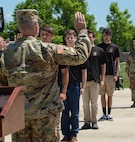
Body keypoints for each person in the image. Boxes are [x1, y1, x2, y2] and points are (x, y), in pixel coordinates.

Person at [0, 9, 91, 142]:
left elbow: (3, 88)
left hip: (19, 118)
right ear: (36, 26)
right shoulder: (48, 49)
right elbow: (80, 56)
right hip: (45, 118)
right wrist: (82, 32)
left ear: (19, 27)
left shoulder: (6, 55)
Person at [39, 24, 68, 141]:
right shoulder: (35, 50)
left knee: (53, 131)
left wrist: (64, 91)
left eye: (47, 35)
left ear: (52, 36)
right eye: (42, 35)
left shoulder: (58, 50)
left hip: (53, 95)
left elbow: (65, 72)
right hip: (38, 98)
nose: (44, 37)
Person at [60, 29, 87, 142]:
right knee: (64, 111)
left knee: (75, 112)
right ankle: (66, 134)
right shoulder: (61, 51)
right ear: (65, 39)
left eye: (72, 37)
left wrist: (83, 86)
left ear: (76, 38)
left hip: (75, 85)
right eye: (68, 37)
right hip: (63, 86)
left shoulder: (79, 53)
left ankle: (74, 134)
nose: (70, 39)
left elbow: (84, 71)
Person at [81, 30, 106, 130]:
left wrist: (102, 79)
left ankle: (94, 122)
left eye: (90, 37)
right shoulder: (82, 50)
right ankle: (87, 122)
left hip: (95, 80)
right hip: (83, 82)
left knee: (94, 103)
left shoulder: (99, 50)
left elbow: (103, 66)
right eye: (87, 37)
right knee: (85, 103)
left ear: (93, 38)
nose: (89, 39)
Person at [97, 28, 120, 120]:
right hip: (101, 74)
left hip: (111, 74)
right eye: (104, 35)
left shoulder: (114, 47)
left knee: (110, 94)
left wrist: (116, 74)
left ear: (110, 36)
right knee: (102, 94)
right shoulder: (99, 47)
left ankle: (109, 113)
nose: (106, 37)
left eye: (108, 35)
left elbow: (117, 61)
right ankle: (103, 113)